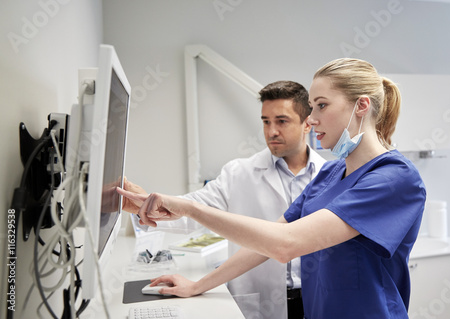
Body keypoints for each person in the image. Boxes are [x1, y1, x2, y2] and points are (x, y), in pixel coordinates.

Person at [119, 58, 426, 319]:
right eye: (311, 107)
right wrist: (198, 285)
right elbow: (265, 243)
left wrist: (191, 208)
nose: (313, 118)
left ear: (361, 106)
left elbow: (286, 244)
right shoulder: (331, 173)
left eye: (321, 106)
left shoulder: (394, 179)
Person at [123, 81, 326, 319]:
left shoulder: (329, 174)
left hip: (314, 299)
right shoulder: (239, 173)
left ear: (307, 124)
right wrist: (143, 205)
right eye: (265, 121)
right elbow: (192, 212)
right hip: (258, 300)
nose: (271, 132)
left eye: (282, 121)